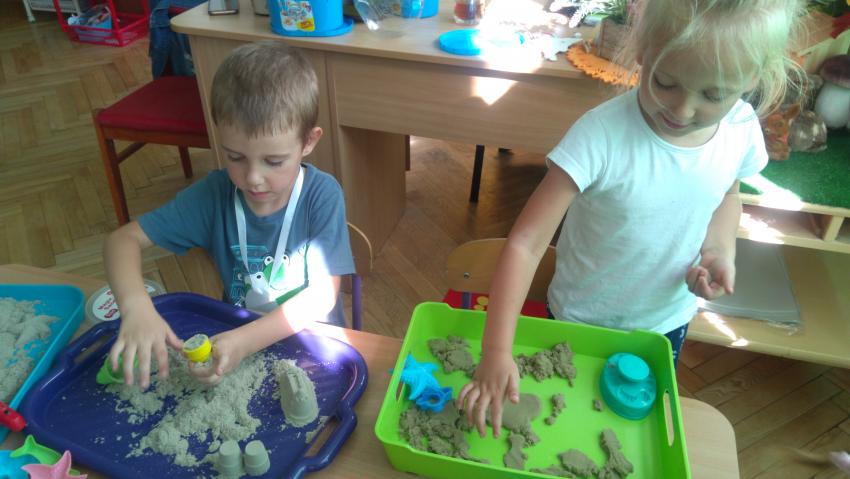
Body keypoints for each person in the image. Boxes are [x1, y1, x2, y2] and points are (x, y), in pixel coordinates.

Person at [458, 0, 805, 437]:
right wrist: (496, 350)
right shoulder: (599, 136)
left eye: (713, 95)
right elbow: (526, 244)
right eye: (665, 82)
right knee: (565, 427)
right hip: (579, 321)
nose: (682, 110)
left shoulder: (740, 128)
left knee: (627, 434)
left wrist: (719, 250)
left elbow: (727, 194)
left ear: (753, 77)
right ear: (643, 50)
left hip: (665, 325)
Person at [104, 41, 354, 390]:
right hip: (237, 338)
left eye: (274, 161)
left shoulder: (321, 195)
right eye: (235, 157)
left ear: (309, 142)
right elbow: (122, 240)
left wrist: (245, 341)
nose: (253, 178)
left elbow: (322, 297)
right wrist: (136, 308)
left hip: (313, 346)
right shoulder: (215, 194)